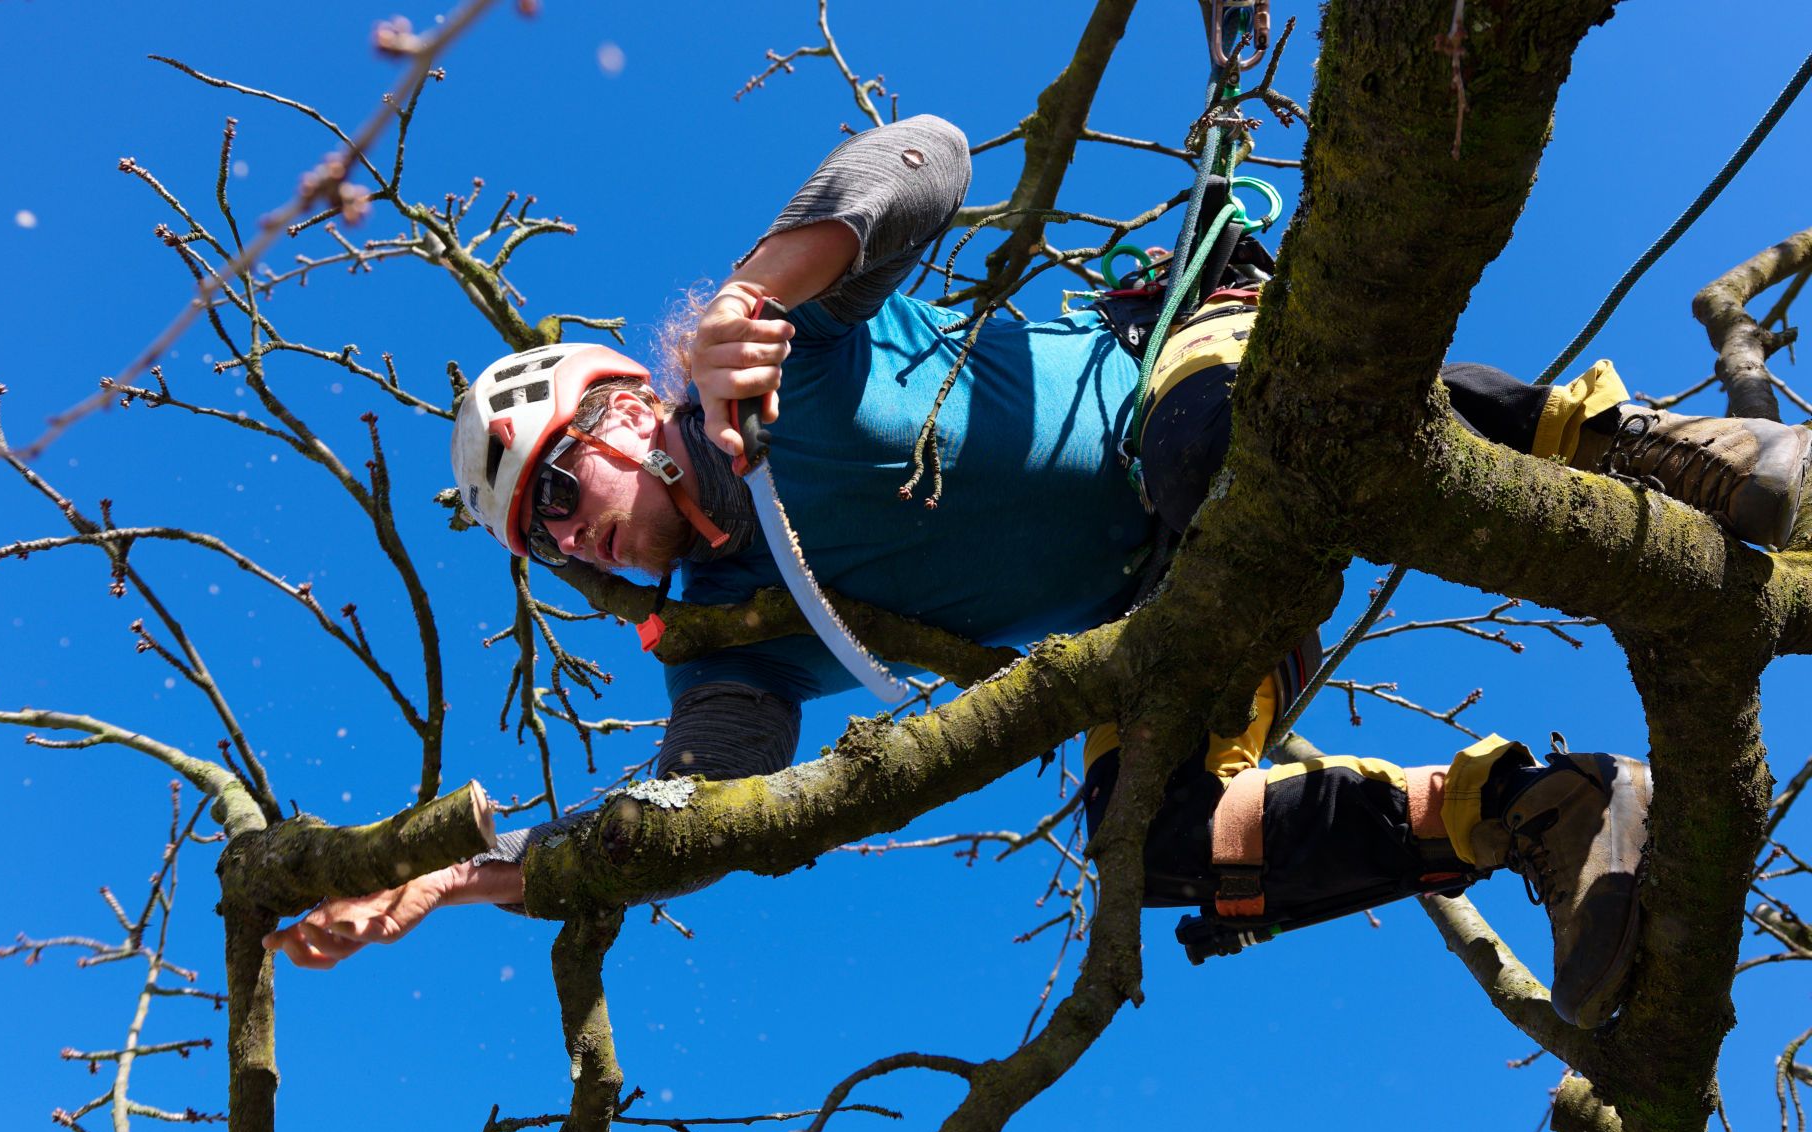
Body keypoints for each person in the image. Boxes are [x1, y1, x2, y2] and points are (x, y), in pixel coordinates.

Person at [264, 116, 1812, 1031]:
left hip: (1182, 363)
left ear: (618, 408)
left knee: (1219, 435)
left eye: (561, 484)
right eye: (539, 537)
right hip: (1170, 600)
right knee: (1157, 845)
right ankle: (1535, 806)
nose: (565, 532)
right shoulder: (724, 643)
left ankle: (1645, 449)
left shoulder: (777, 355)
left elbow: (926, 157)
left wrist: (753, 291)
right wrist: (446, 880)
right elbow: (684, 822)